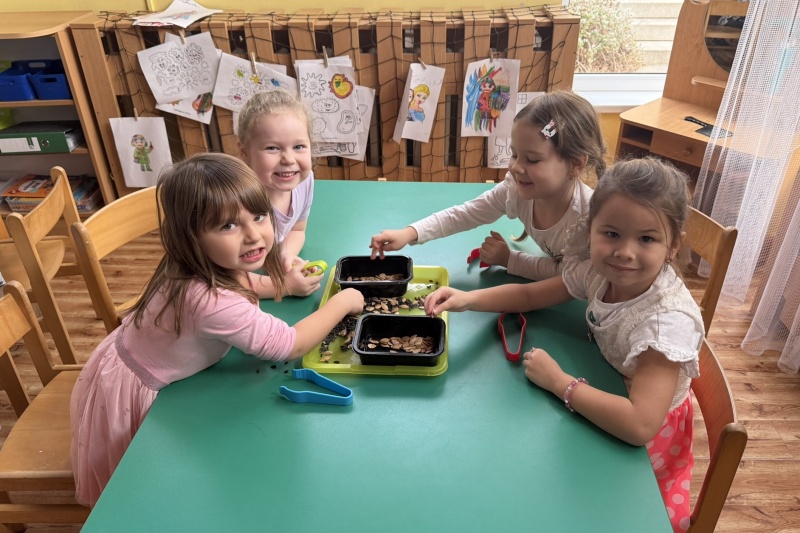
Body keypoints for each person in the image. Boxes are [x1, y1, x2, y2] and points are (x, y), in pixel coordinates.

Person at [423, 157, 704, 533]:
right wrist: (467, 300)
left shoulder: (664, 324)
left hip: (645, 437)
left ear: (673, 245)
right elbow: (531, 296)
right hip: (615, 385)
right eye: (611, 234)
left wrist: (560, 383)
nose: (624, 251)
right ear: (590, 230)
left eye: (647, 239)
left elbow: (640, 425)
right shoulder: (597, 271)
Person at [70, 153, 364, 507]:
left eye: (259, 216)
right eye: (228, 226)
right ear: (192, 237)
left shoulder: (198, 261)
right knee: (137, 496)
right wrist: (343, 301)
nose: (253, 235)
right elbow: (291, 344)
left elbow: (243, 283)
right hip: (136, 393)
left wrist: (283, 285)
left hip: (124, 356)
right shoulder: (210, 301)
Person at [369, 90, 607, 281]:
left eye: (533, 160)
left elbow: (568, 277)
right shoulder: (516, 189)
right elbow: (466, 213)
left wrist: (510, 260)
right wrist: (410, 233)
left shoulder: (587, 219)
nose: (516, 167)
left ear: (575, 164)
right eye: (514, 154)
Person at [238, 90, 321, 297]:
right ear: (244, 152)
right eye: (272, 148)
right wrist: (284, 286)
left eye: (299, 146)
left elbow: (297, 230)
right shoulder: (236, 201)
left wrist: (285, 254)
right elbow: (222, 279)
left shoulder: (304, 182)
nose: (288, 159)